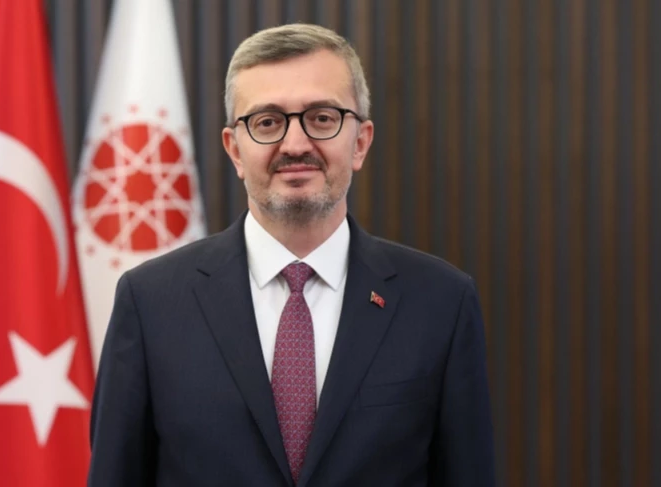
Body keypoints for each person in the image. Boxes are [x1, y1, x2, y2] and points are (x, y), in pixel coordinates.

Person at [88, 23, 495, 487]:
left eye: (322, 118)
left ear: (360, 142)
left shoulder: (441, 303)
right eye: (267, 122)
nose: (296, 144)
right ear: (234, 150)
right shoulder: (150, 302)